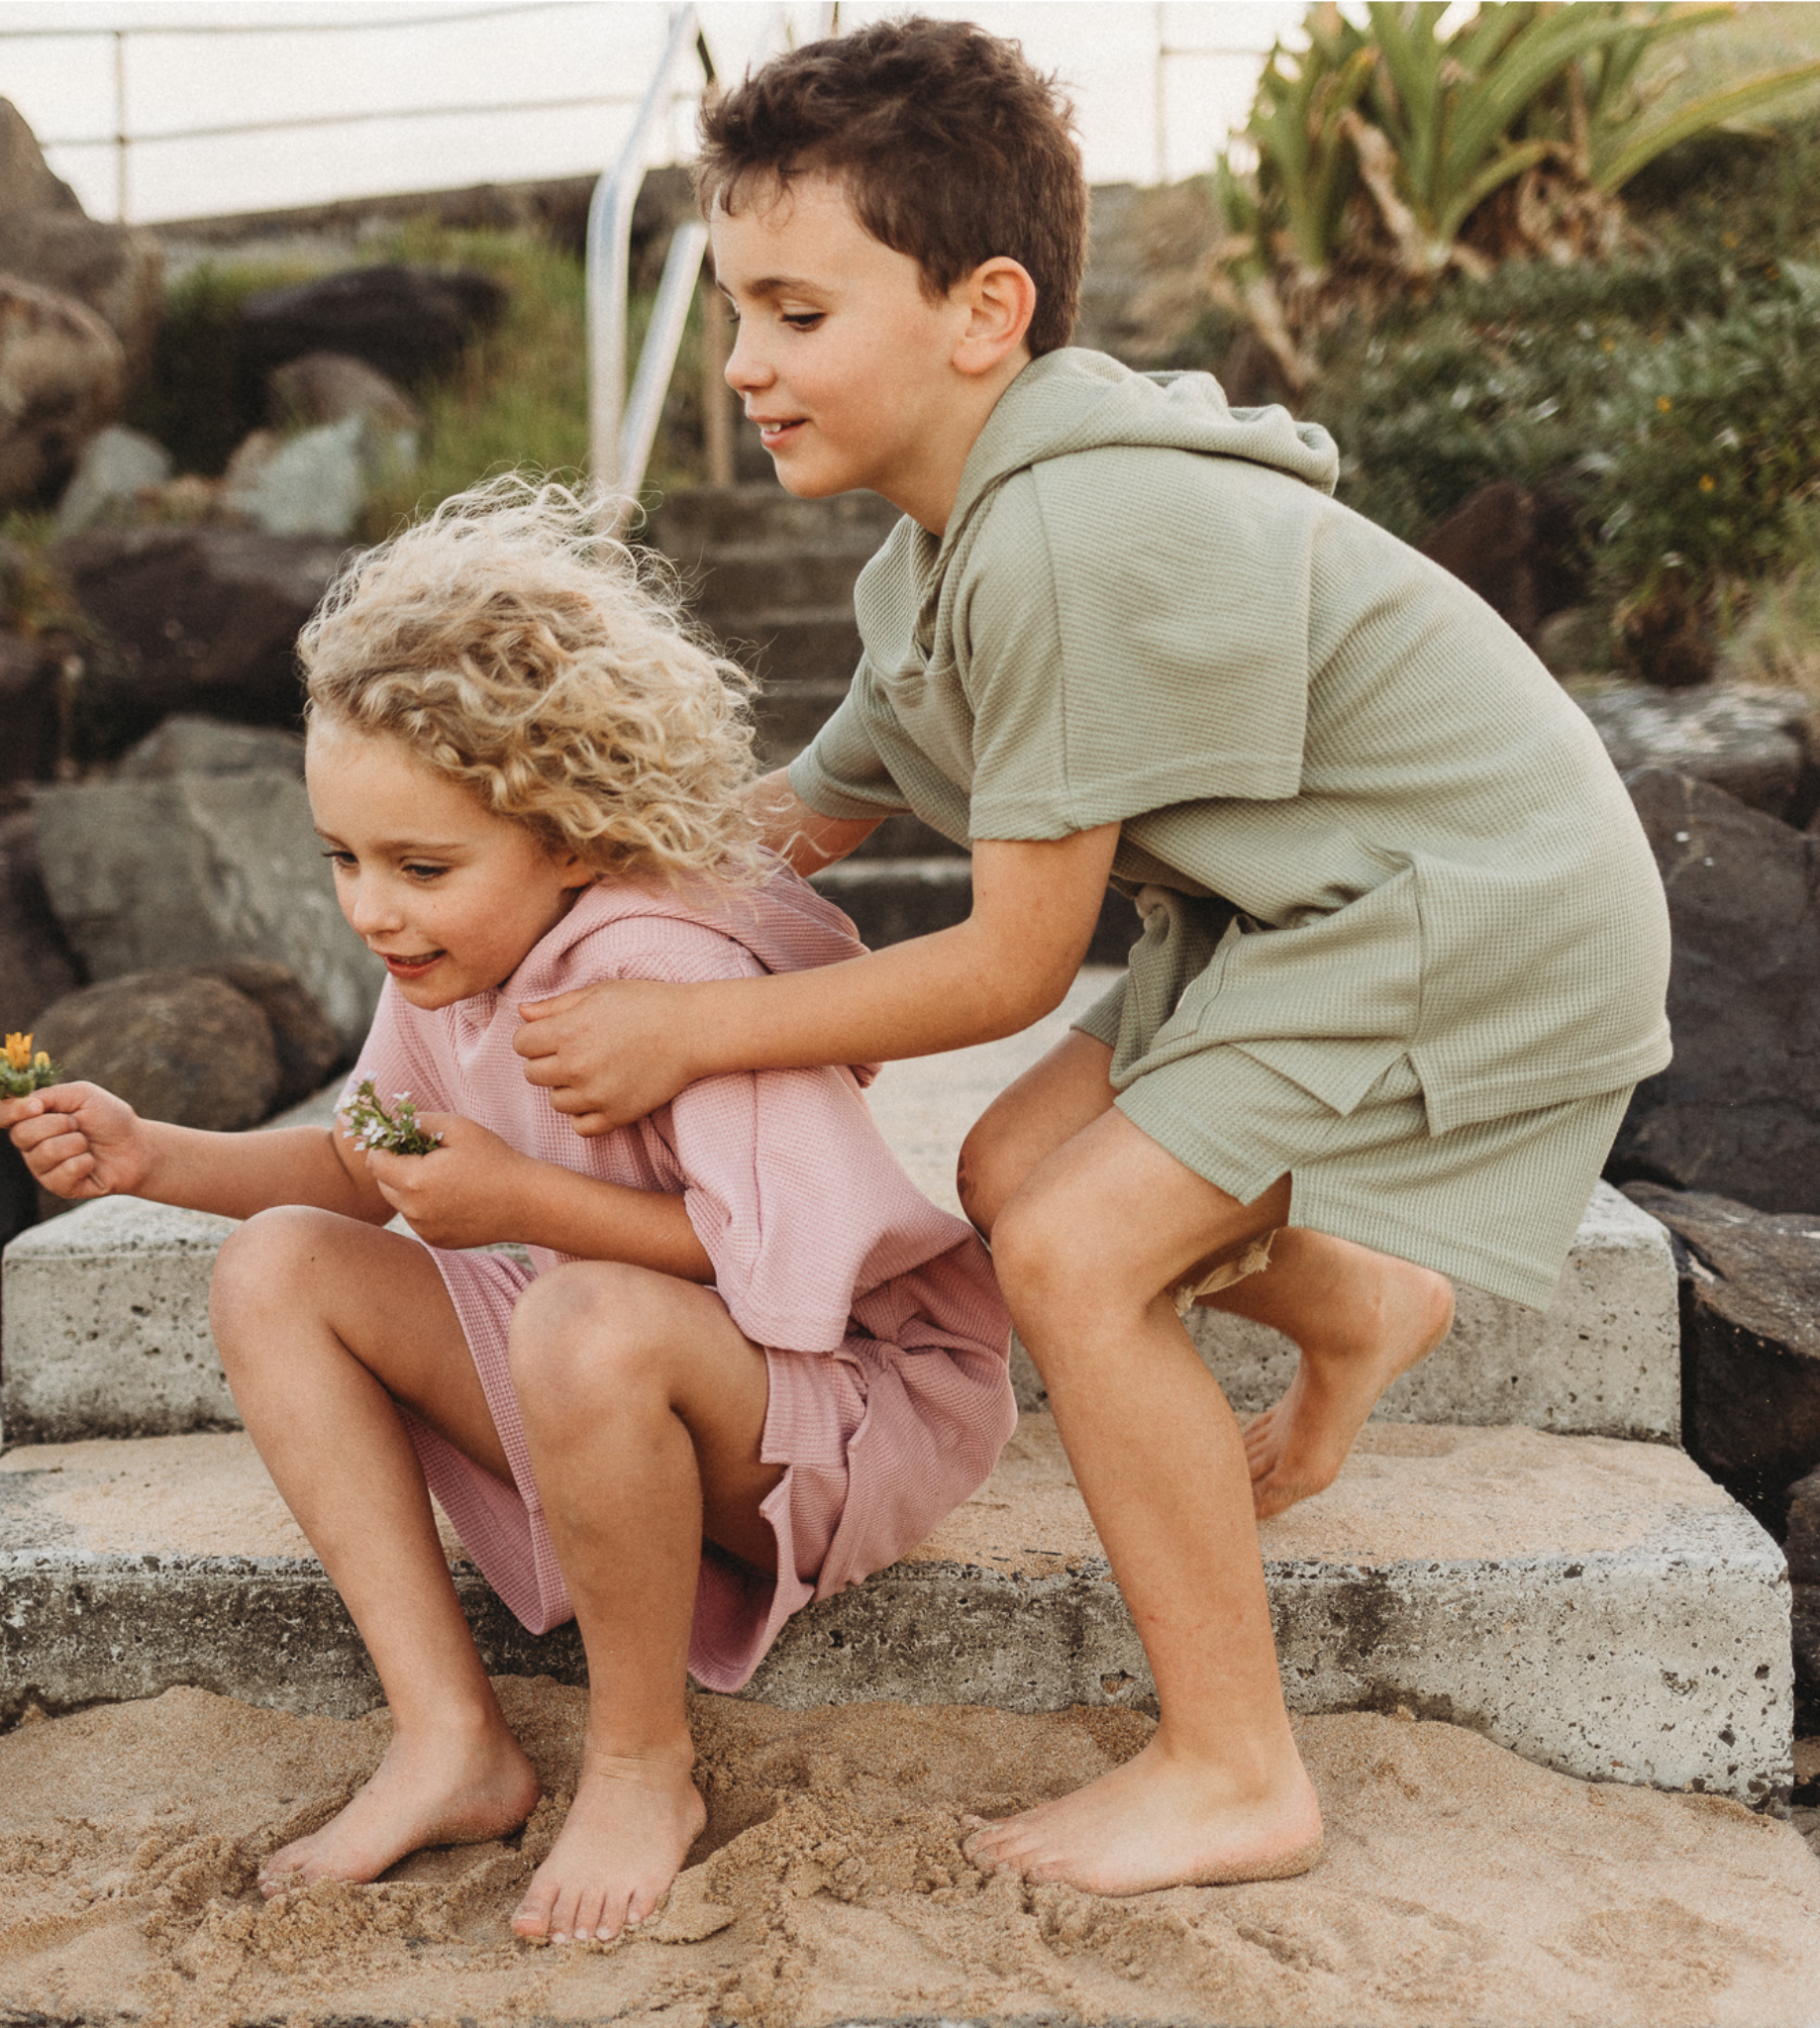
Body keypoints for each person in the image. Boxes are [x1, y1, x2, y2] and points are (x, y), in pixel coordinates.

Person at [510, 20, 1672, 1898]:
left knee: (1072, 1246)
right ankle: (1357, 1305)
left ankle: (1234, 1767)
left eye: (797, 314)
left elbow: (997, 970)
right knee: (1008, 1169)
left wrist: (690, 1031)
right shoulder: (934, 563)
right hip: (1317, 913)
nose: (741, 365)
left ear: (985, 312)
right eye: (733, 312)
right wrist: (521, 904)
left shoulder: (1071, 531)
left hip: (1468, 904)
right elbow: (790, 819)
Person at [0, 480, 1015, 1944]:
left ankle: (643, 1763)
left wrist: (522, 1201)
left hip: (834, 1407)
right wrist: (156, 1155)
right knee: (281, 1268)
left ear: (578, 840)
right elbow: (360, 1168)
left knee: (580, 1316)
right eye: (342, 859)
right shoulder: (454, 960)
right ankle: (449, 1737)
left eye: (420, 868)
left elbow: (788, 1284)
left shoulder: (666, 974)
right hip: (624, 1373)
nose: (372, 913)